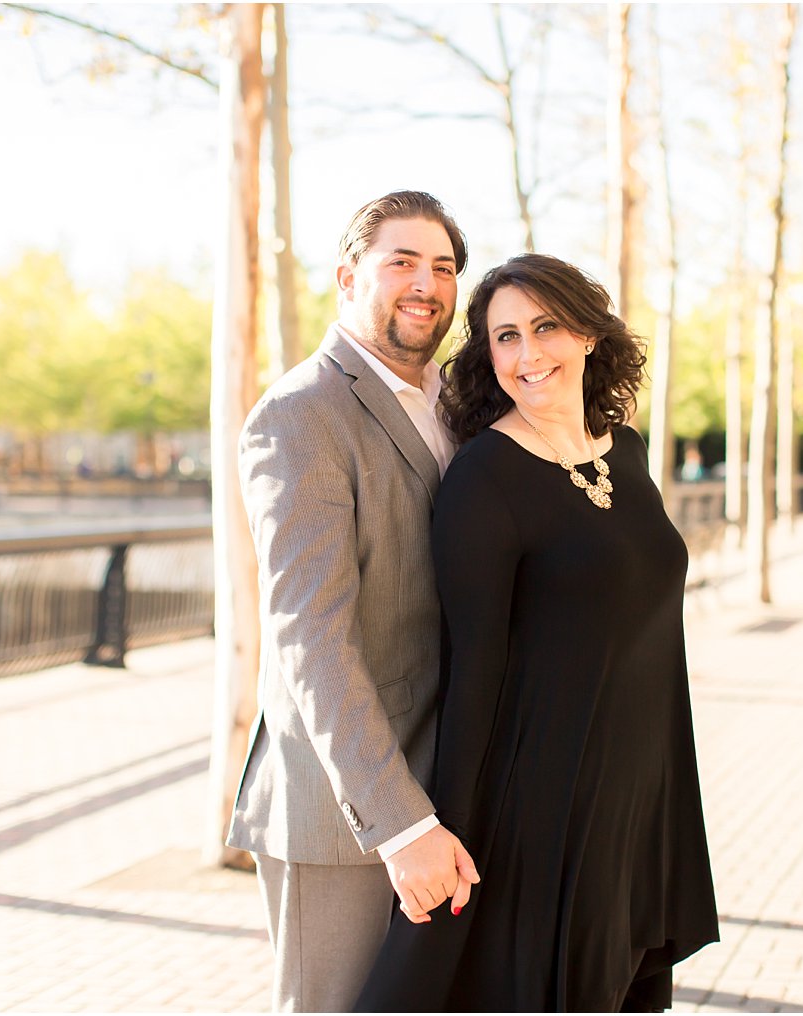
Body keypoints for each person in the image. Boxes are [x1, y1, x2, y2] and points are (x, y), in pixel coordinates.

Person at [356, 253, 720, 1012]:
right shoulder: (485, 478)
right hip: (547, 808)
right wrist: (445, 830)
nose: (528, 354)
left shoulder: (625, 447)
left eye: (545, 326)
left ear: (586, 333)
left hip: (644, 790)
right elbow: (474, 667)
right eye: (506, 337)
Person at [228, 191, 481, 1012]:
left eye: (443, 267)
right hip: (347, 819)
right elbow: (310, 640)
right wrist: (400, 824)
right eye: (401, 261)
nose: (427, 283)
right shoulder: (301, 416)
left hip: (452, 794)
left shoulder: (457, 407)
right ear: (347, 277)